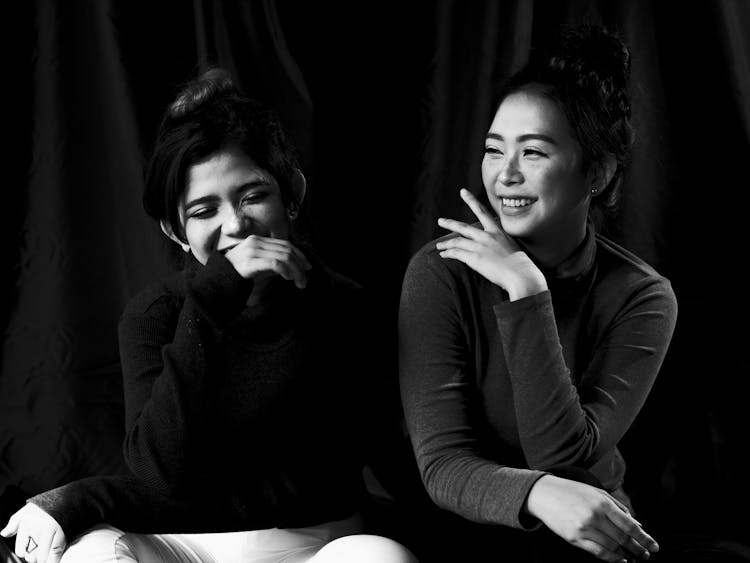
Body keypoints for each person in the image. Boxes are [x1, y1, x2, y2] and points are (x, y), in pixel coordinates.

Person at [1, 68, 417, 563]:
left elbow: (315, 481)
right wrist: (215, 298)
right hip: (182, 543)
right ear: (175, 231)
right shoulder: (155, 315)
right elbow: (158, 471)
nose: (236, 226)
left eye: (253, 196)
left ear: (293, 194)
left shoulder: (345, 307)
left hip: (318, 544)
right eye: (203, 211)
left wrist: (83, 498)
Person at [398, 24, 678, 563]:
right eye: (493, 149)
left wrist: (527, 291)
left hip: (590, 531)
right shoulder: (439, 274)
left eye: (533, 153)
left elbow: (565, 456)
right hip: (463, 530)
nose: (504, 176)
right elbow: (442, 466)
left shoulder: (643, 296)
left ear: (595, 172)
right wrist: (536, 492)